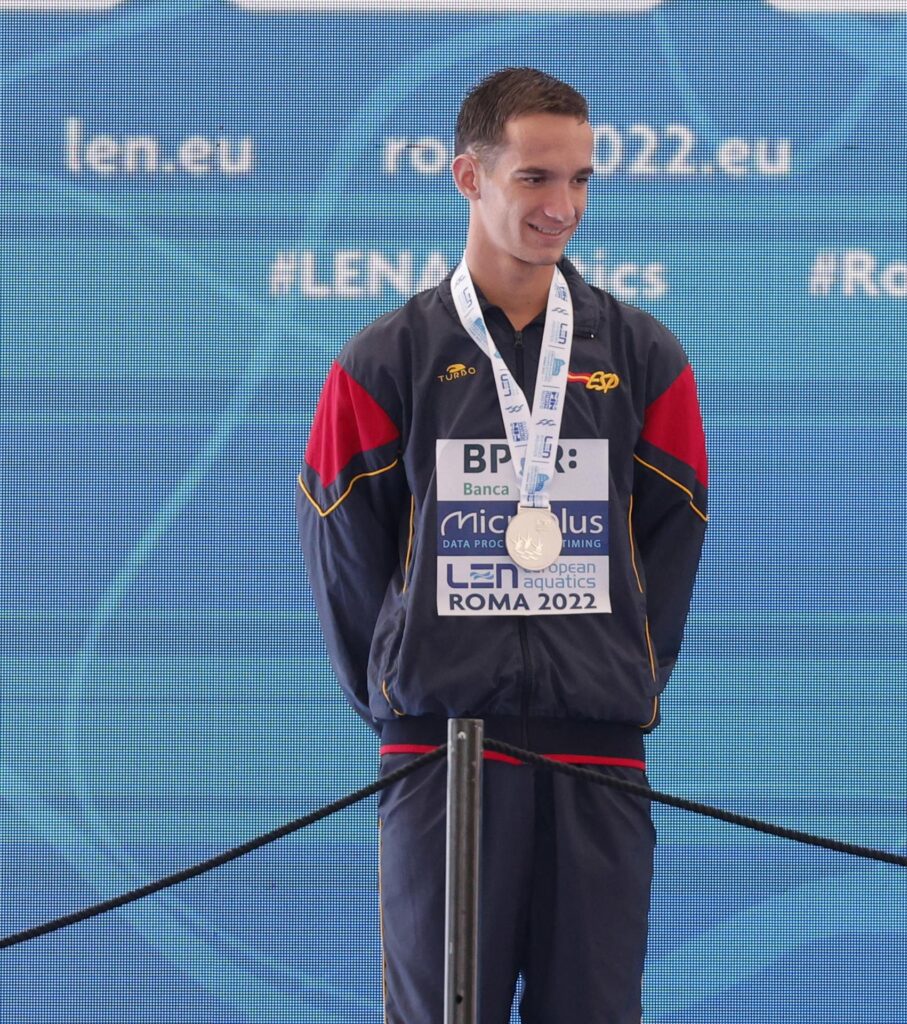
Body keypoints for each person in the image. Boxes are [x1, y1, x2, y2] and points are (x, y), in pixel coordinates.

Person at [296, 66, 708, 1024]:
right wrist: (413, 686)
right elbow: (345, 561)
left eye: (581, 179)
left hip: (596, 754)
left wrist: (618, 674)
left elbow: (670, 543)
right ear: (468, 178)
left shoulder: (645, 357)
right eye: (535, 178)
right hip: (441, 754)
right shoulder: (381, 361)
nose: (562, 206)